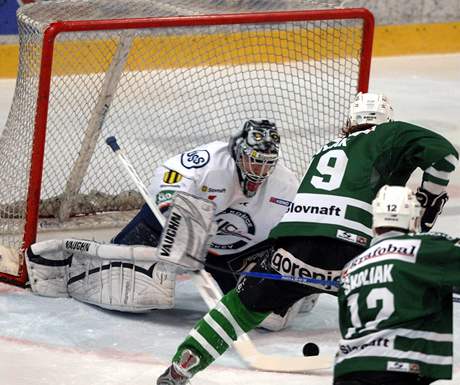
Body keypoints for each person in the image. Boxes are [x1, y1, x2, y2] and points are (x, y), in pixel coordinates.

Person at [157, 92, 458, 385]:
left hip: (292, 250)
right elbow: (444, 154)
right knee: (399, 298)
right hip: (354, 252)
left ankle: (182, 366)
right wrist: (430, 196)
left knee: (239, 307)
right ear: (386, 119)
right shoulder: (390, 134)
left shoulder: (326, 148)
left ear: (351, 120)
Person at [25, 119, 299, 315]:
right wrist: (180, 225)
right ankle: (63, 265)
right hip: (170, 232)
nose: (260, 171)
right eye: (254, 161)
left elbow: (295, 226)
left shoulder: (285, 184)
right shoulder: (209, 162)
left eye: (267, 164)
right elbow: (170, 177)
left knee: (269, 315)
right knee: (127, 288)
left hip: (232, 253)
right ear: (239, 153)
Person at [334, 185, 460, 385]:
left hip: (348, 370)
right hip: (399, 367)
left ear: (375, 222)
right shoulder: (424, 248)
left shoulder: (351, 266)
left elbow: (345, 325)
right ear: (413, 219)